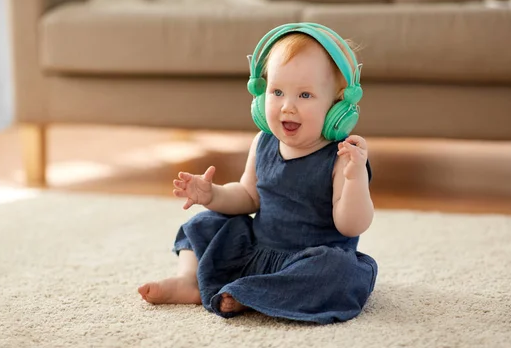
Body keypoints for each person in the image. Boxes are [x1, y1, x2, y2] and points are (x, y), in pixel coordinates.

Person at [138, 23, 377, 324]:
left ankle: (253, 293)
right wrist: (213, 195)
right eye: (277, 91)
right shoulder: (263, 142)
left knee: (339, 271)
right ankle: (190, 280)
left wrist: (355, 179)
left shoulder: (342, 158)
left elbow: (351, 225)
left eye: (305, 95)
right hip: (254, 252)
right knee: (206, 222)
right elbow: (248, 196)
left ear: (338, 106)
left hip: (309, 261)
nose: (287, 107)